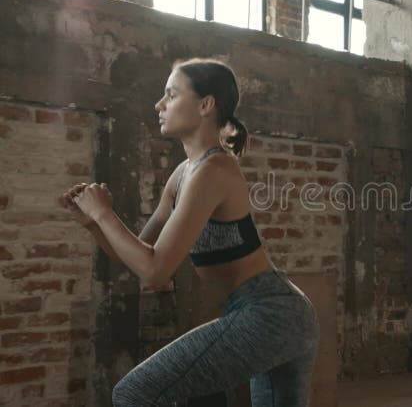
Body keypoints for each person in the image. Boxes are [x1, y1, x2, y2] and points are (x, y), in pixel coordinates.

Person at [58, 58, 319, 407]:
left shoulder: (213, 170)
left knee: (133, 393)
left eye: (171, 94)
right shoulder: (184, 173)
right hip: (268, 313)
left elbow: (155, 272)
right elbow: (139, 254)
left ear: (205, 105)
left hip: (269, 312)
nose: (159, 105)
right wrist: (94, 223)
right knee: (195, 393)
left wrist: (104, 214)